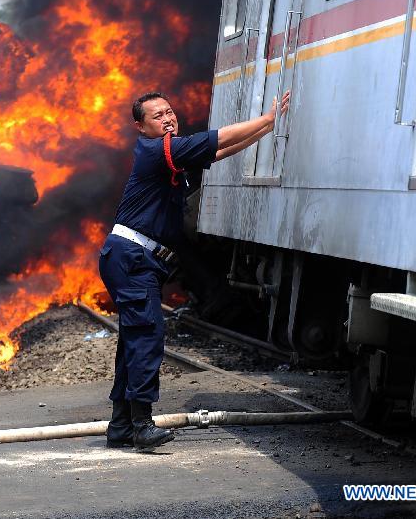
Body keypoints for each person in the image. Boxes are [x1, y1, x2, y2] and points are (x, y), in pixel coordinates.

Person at [99, 89, 290, 451]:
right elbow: (214, 138)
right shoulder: (158, 150)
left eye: (169, 111)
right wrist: (266, 119)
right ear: (140, 127)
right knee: (147, 337)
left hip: (132, 257)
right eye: (157, 116)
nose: (168, 118)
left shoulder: (170, 155)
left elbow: (217, 152)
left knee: (133, 340)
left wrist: (264, 131)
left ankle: (121, 426)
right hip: (132, 257)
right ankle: (141, 425)